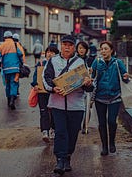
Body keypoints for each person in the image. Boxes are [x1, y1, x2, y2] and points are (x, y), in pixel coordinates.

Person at [42, 35, 92, 175]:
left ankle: (68, 156)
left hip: (76, 106)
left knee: (72, 133)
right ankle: (60, 159)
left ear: (74, 47)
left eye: (70, 45)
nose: (67, 47)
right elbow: (46, 78)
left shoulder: (80, 62)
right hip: (57, 105)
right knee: (60, 132)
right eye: (64, 44)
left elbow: (88, 86)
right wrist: (53, 88)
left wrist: (89, 83)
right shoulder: (52, 61)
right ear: (61, 45)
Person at [91, 40, 129, 156]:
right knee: (102, 123)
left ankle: (112, 142)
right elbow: (91, 78)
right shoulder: (97, 62)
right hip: (99, 97)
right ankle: (104, 146)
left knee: (112, 121)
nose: (103, 51)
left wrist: (126, 77)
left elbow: (125, 79)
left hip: (115, 97)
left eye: (105, 48)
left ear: (111, 50)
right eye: (101, 49)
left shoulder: (118, 63)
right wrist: (89, 77)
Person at [31, 46, 59, 143]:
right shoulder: (41, 63)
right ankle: (45, 131)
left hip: (53, 93)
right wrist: (34, 84)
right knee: (44, 112)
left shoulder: (58, 65)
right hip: (42, 93)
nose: (50, 54)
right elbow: (35, 76)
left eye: (52, 52)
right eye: (48, 52)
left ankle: (53, 130)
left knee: (54, 112)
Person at [0, 31, 24, 110]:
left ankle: (9, 100)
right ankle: (13, 100)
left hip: (6, 69)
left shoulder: (2, 46)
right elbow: (20, 55)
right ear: (11, 37)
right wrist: (22, 63)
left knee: (8, 85)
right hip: (15, 69)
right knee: (14, 84)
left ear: (4, 37)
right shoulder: (15, 45)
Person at [76, 41, 91, 134]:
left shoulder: (90, 59)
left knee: (88, 107)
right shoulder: (74, 59)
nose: (81, 50)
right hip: (77, 87)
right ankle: (77, 125)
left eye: (83, 48)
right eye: (80, 48)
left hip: (87, 86)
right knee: (78, 107)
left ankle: (85, 126)